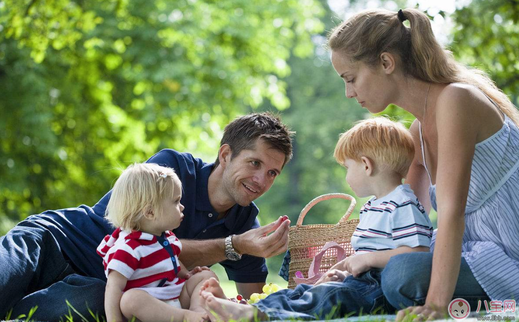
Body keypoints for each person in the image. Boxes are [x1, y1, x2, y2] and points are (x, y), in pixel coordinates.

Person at [0, 112, 293, 321]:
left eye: (272, 173)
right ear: (226, 154)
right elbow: (124, 232)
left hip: (96, 286)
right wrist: (233, 246)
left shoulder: (245, 226)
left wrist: (308, 288)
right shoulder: (171, 170)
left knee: (92, 305)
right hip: (54, 242)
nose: (260, 180)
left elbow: (250, 304)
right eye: (254, 163)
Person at [327, 8, 519, 320]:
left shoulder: (456, 100)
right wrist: (359, 259)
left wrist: (436, 305)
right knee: (377, 270)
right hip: (472, 252)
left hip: (509, 257)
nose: (349, 93)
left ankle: (486, 306)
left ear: (387, 62)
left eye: (351, 79)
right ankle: (277, 308)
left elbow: (451, 213)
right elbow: (407, 226)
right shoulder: (416, 131)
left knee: (402, 276)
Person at [198, 117, 434, 321]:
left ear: (366, 165)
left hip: (378, 291)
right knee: (301, 292)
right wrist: (344, 271)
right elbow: (370, 257)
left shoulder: (403, 203)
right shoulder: (375, 206)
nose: (347, 175)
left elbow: (417, 256)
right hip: (362, 284)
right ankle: (246, 309)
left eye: (347, 167)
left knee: (325, 298)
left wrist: (367, 260)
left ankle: (261, 317)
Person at [98, 163, 216, 322]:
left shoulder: (166, 237)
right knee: (130, 299)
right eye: (176, 201)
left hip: (174, 295)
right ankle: (186, 317)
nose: (182, 207)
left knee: (206, 276)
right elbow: (113, 288)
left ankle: (197, 313)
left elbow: (172, 261)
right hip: (150, 307)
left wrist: (187, 274)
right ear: (150, 212)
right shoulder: (128, 248)